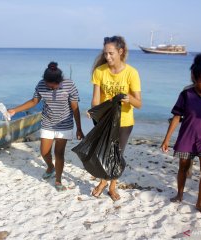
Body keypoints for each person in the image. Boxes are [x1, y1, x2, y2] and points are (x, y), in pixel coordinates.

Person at [7, 62, 84, 191]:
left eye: (55, 86)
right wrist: (15, 110)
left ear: (60, 81)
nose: (52, 89)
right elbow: (34, 101)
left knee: (59, 154)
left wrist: (79, 128)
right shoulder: (41, 84)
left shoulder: (69, 85)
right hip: (47, 122)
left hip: (64, 125)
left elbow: (75, 107)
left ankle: (58, 180)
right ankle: (50, 167)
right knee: (44, 152)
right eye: (50, 86)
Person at [161, 53, 201, 217]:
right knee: (183, 168)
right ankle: (179, 194)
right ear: (195, 79)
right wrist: (166, 140)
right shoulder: (186, 94)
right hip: (187, 136)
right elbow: (176, 117)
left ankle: (200, 202)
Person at [90, 36, 142, 201]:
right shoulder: (100, 71)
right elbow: (96, 99)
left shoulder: (131, 73)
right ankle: (104, 182)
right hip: (105, 120)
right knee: (104, 153)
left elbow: (139, 103)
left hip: (124, 121)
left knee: (117, 154)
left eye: (111, 53)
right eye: (105, 54)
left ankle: (110, 185)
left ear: (120, 52)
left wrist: (129, 99)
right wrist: (94, 112)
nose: (108, 57)